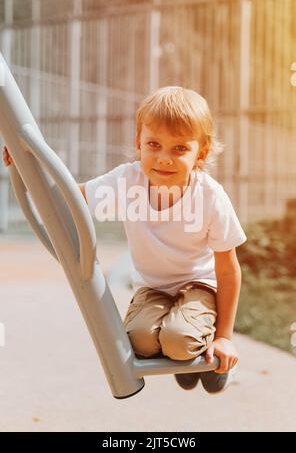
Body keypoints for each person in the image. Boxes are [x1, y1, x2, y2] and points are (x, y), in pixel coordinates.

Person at [2, 86, 247, 393]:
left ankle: (199, 350)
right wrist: (29, 168)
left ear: (203, 151)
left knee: (178, 339)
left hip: (197, 286)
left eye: (180, 149)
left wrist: (225, 336)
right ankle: (185, 350)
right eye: (154, 144)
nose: (164, 158)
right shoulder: (128, 181)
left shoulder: (210, 197)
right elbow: (68, 199)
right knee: (141, 342)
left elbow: (227, 270)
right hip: (153, 287)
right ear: (138, 143)